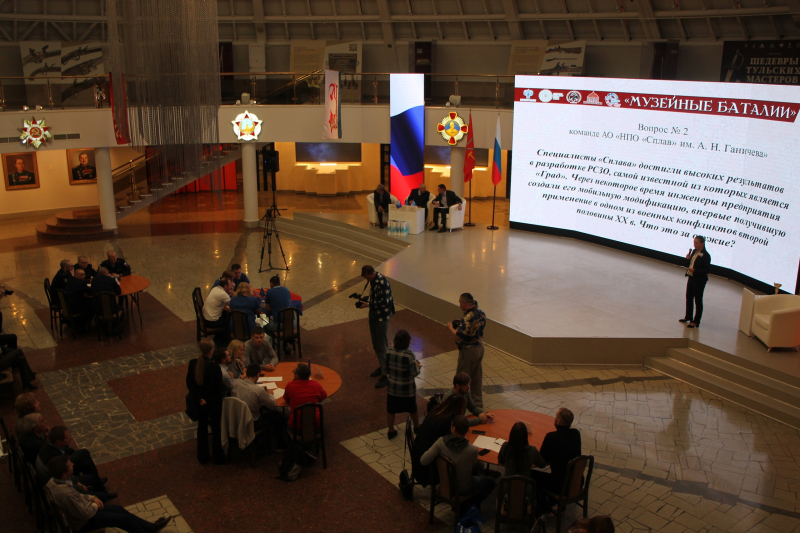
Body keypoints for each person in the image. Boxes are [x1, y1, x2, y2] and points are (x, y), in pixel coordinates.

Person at [46, 456, 171, 533]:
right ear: (63, 474)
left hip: (85, 507)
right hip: (82, 522)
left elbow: (78, 496)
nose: (72, 464)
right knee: (122, 519)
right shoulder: (66, 493)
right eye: (69, 465)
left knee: (119, 509)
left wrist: (92, 497)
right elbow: (84, 514)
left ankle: (150, 527)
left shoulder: (53, 481)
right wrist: (95, 504)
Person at [420, 415, 497, 515]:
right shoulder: (472, 450)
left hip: (445, 485)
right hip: (464, 488)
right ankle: (469, 504)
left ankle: (464, 505)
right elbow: (477, 466)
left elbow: (423, 460)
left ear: (454, 428)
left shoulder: (440, 443)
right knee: (491, 482)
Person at [411, 394, 466, 487]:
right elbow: (454, 442)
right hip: (428, 465)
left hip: (418, 454)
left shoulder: (437, 412)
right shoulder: (449, 421)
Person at [36, 425, 109, 494]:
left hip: (55, 476)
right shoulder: (54, 458)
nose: (70, 438)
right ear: (58, 441)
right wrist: (79, 484)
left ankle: (97, 482)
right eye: (67, 438)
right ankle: (100, 489)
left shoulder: (49, 445)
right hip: (56, 481)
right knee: (84, 455)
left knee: (83, 459)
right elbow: (64, 476)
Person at [532, 408, 582, 508]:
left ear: (558, 421)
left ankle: (543, 505)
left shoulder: (552, 437)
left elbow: (542, 461)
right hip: (577, 481)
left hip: (559, 485)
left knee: (530, 474)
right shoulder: (576, 433)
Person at [186, 339, 225, 464]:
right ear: (211, 350)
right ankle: (218, 457)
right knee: (216, 428)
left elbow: (190, 384)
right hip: (213, 403)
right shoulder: (214, 367)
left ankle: (203, 456)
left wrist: (199, 398)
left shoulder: (193, 363)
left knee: (202, 427)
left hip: (199, 403)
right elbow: (219, 388)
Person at [232, 363, 287, 450]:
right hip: (253, 422)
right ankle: (280, 445)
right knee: (277, 415)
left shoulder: (236, 383)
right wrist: (270, 395)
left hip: (238, 419)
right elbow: (273, 405)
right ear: (258, 374)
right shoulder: (258, 390)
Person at [358, 265, 395, 389]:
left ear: (372, 273)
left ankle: (386, 375)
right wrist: (366, 301)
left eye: (367, 277)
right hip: (375, 316)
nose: (366, 280)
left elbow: (385, 302)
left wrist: (368, 304)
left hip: (381, 317)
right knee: (376, 344)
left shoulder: (382, 282)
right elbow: (376, 297)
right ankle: (382, 366)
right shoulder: (373, 280)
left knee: (382, 346)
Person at [448, 293, 487, 408]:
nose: (459, 304)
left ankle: (459, 403)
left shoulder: (468, 318)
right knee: (476, 376)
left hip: (469, 351)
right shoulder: (481, 313)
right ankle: (477, 402)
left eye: (460, 302)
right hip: (480, 348)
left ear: (465, 303)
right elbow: (477, 326)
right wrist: (463, 322)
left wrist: (450, 328)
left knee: (462, 378)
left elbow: (460, 336)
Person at [384, 330, 421, 439]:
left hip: (392, 389)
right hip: (407, 390)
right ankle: (417, 427)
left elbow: (385, 370)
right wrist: (418, 366)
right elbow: (414, 373)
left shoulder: (388, 352)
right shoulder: (410, 356)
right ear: (407, 342)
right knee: (412, 408)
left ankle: (391, 430)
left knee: (391, 410)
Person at [284, 363, 328, 430]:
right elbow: (324, 396)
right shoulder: (316, 385)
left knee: (283, 419)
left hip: (296, 427)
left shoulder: (290, 386)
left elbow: (287, 400)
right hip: (315, 425)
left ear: (297, 376)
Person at [680, 236, 711, 329]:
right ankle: (688, 316)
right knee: (689, 297)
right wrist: (688, 259)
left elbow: (707, 270)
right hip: (691, 277)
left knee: (698, 300)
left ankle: (696, 321)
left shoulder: (706, 255)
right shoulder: (694, 252)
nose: (695, 244)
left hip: (699, 280)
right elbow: (689, 264)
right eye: (694, 242)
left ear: (702, 244)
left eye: (697, 243)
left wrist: (695, 270)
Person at [202, 274, 233, 346]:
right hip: (212, 321)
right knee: (229, 322)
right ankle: (222, 341)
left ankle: (219, 337)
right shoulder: (223, 294)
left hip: (206, 318)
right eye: (229, 285)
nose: (231, 287)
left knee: (226, 315)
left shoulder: (215, 288)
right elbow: (232, 305)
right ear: (225, 286)